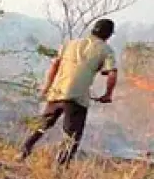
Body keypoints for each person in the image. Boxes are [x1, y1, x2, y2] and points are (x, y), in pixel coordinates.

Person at [18, 18, 118, 166]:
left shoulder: (70, 43)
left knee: (41, 125)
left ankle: (23, 151)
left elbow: (55, 66)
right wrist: (108, 94)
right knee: (72, 136)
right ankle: (60, 167)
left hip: (57, 92)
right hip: (77, 98)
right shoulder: (106, 50)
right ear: (108, 35)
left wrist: (47, 87)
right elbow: (112, 74)